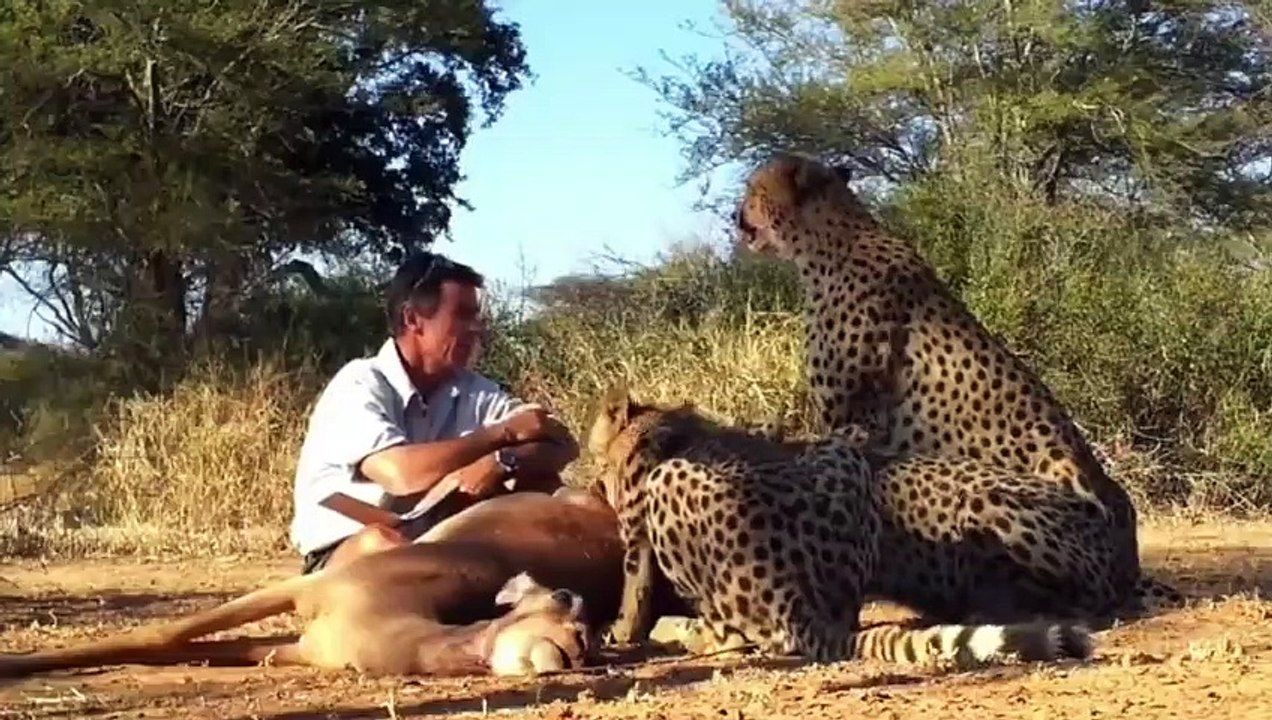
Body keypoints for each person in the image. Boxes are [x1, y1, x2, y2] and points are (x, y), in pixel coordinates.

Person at [288, 251, 579, 574]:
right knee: (385, 545)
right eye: (462, 315)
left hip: (435, 543)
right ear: (413, 319)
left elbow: (561, 441)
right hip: (348, 551)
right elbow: (403, 476)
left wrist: (503, 460)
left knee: (542, 484)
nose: (476, 328)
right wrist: (502, 435)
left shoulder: (472, 389)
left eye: (476, 316)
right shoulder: (359, 384)